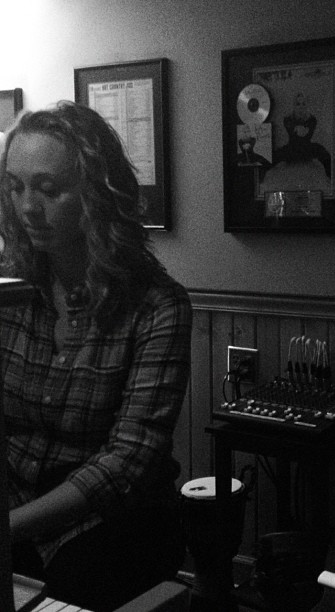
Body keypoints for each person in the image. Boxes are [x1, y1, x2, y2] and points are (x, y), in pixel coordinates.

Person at [0, 101, 192, 611]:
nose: (27, 207)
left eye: (48, 189)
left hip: (110, 523)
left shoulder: (157, 306)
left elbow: (128, 459)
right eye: (15, 187)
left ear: (97, 193)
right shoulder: (11, 289)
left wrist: (10, 528)